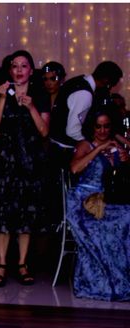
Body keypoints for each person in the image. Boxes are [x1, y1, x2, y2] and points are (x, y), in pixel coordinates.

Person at [0, 50, 49, 287]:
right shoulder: (2, 93)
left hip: (29, 162)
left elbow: (44, 131)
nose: (19, 70)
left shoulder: (39, 95)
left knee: (26, 215)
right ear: (10, 70)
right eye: (15, 66)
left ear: (31, 70)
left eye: (24, 66)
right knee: (2, 214)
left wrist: (31, 108)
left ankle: (22, 264)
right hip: (5, 161)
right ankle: (0, 264)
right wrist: (1, 98)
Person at [66, 106, 130, 301]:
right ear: (91, 127)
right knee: (103, 227)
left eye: (106, 126)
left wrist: (123, 153)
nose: (102, 131)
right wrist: (100, 149)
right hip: (84, 202)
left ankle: (122, 281)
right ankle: (102, 283)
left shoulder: (116, 144)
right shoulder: (86, 144)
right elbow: (75, 168)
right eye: (98, 126)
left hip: (108, 199)